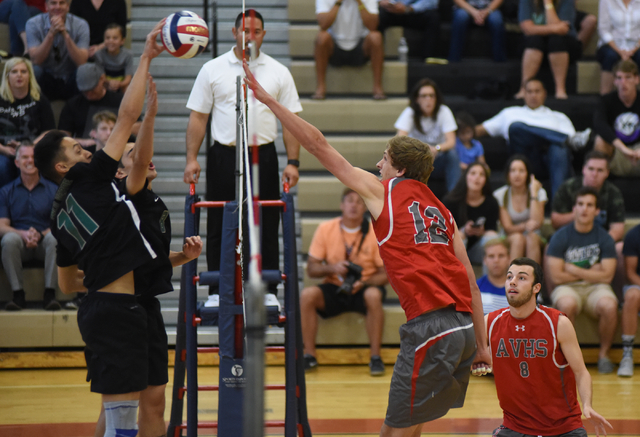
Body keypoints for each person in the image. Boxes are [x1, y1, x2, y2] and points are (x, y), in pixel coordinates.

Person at [244, 61, 492, 437]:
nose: (378, 165)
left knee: (392, 432)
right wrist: (484, 346)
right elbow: (472, 287)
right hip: (464, 330)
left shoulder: (384, 192)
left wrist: (269, 101)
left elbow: (318, 145)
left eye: (385, 160)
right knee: (412, 427)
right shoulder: (443, 211)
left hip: (430, 326)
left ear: (401, 170)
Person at [32, 22, 164, 437]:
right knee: (121, 425)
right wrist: (144, 56)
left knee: (120, 417)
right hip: (116, 311)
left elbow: (68, 281)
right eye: (75, 148)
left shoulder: (57, 213)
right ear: (63, 168)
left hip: (100, 311)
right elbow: (125, 116)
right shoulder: (87, 179)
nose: (85, 147)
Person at [91, 78, 203, 437]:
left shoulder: (154, 203)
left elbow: (149, 260)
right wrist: (149, 115)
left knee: (155, 400)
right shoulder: (130, 192)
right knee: (119, 406)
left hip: (149, 307)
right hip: (123, 309)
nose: (145, 155)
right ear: (122, 171)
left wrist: (184, 258)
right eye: (133, 153)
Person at [183, 9, 302, 300]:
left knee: (267, 219)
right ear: (233, 32)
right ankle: (216, 290)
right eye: (245, 30)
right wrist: (190, 158)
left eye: (256, 31)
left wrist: (293, 162)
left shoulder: (278, 71)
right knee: (219, 220)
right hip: (224, 156)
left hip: (264, 154)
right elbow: (198, 118)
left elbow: (291, 121)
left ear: (263, 34)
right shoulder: (212, 69)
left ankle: (268, 289)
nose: (250, 36)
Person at [487, 257, 613, 437]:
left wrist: (587, 405)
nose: (512, 282)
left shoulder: (558, 323)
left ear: (536, 288)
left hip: (563, 427)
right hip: (515, 426)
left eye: (521, 278)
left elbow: (581, 372)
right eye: (509, 277)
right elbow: (464, 352)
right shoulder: (490, 323)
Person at [302, 187, 388, 375]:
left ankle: (375, 357)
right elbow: (311, 269)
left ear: (365, 208)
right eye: (350, 200)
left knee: (374, 295)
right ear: (341, 205)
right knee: (307, 295)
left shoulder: (374, 231)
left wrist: (364, 283)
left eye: (359, 202)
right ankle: (309, 355)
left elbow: (386, 273)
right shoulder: (326, 228)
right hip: (335, 285)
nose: (354, 205)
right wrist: (332, 268)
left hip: (364, 286)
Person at [545, 186, 619, 374]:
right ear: (574, 209)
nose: (584, 209)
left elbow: (607, 275)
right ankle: (564, 358)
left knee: (610, 305)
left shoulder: (604, 238)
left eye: (589, 205)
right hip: (567, 286)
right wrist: (591, 271)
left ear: (596, 211)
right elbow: (556, 276)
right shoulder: (560, 236)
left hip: (597, 287)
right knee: (566, 304)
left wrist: (573, 268)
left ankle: (603, 356)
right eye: (580, 204)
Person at [475, 79, 590, 196]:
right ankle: (562, 138)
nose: (533, 95)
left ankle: (558, 207)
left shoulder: (559, 117)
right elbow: (479, 130)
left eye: (537, 91)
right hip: (523, 160)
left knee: (559, 149)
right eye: (529, 91)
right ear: (524, 94)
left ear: (544, 93)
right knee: (515, 127)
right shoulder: (510, 113)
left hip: (550, 161)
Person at [0, 143, 58, 310]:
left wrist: (40, 234)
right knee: (9, 239)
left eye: (33, 157)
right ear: (17, 163)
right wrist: (23, 234)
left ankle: (49, 294)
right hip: (20, 245)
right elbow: (1, 225)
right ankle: (18, 295)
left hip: (45, 243)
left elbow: (60, 223)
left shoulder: (54, 190)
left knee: (55, 238)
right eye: (25, 157)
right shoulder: (6, 191)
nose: (30, 161)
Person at [395, 78, 461, 192]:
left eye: (431, 96)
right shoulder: (410, 112)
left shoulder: (443, 111)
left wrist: (436, 149)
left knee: (452, 156)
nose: (428, 99)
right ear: (417, 99)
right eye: (424, 96)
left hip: (437, 159)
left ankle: (454, 196)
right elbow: (399, 139)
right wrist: (421, 151)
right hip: (416, 161)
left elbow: (451, 142)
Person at [0, 57, 55, 188]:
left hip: (33, 148)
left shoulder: (39, 99)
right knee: (2, 167)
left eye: (23, 71)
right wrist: (4, 150)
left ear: (29, 75)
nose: (19, 75)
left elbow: (49, 131)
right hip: (3, 150)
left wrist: (28, 146)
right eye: (14, 71)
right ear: (7, 76)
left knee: (36, 164)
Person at [313, 0, 385, 100]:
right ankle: (320, 87)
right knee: (321, 37)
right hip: (335, 46)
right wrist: (338, 2)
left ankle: (377, 87)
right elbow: (323, 24)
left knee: (376, 37)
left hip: (360, 45)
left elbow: (373, 25)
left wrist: (359, 2)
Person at [58, 62, 139, 148]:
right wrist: (84, 142)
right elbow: (62, 138)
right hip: (83, 151)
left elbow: (139, 127)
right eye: (85, 91)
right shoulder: (72, 105)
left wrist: (114, 131)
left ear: (102, 79)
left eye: (92, 89)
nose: (89, 94)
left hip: (116, 149)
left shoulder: (120, 100)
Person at [516, 0, 582, 99]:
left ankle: (560, 89)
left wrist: (548, 3)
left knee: (556, 41)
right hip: (536, 42)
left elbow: (562, 30)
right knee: (534, 40)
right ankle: (525, 88)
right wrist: (554, 28)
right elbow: (527, 28)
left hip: (564, 44)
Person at [26, 0, 89, 101]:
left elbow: (82, 62)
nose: (58, 7)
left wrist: (65, 34)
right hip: (47, 78)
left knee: (85, 70)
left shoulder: (81, 25)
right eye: (53, 3)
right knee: (35, 70)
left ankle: (80, 110)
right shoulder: (33, 23)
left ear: (68, 6)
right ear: (46, 6)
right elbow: (36, 60)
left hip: (70, 78)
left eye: (62, 3)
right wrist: (51, 34)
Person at [493, 155, 547, 263]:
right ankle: (512, 278)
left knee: (531, 237)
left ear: (528, 174)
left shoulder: (539, 192)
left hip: (535, 237)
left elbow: (537, 222)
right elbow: (508, 228)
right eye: (513, 171)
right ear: (508, 174)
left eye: (521, 171)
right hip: (509, 237)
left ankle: (533, 278)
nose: (517, 175)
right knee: (518, 238)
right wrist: (526, 226)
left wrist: (533, 193)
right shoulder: (500, 194)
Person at [444, 162, 499, 266]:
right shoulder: (451, 201)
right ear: (466, 177)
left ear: (485, 180)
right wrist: (464, 231)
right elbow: (444, 233)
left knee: (492, 237)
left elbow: (492, 230)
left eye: (481, 174)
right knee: (459, 235)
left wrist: (481, 232)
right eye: (473, 173)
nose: (477, 177)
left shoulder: (491, 202)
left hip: (478, 250)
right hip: (456, 247)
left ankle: (491, 281)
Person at [593, 60, 640, 177]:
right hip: (618, 151)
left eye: (628, 77)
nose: (623, 83)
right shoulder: (606, 101)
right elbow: (600, 125)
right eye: (619, 78)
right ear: (614, 81)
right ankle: (599, 186)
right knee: (600, 141)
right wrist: (623, 149)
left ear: (637, 79)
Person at [596, 0, 640, 95]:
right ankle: (605, 97)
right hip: (612, 44)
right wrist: (620, 51)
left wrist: (633, 49)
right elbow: (603, 29)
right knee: (610, 56)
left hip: (636, 44)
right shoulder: (606, 1)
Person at [620, 223, 640, 377]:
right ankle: (627, 354)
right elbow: (630, 273)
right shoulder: (634, 234)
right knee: (632, 296)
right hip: (637, 284)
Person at [93, 23, 133, 93]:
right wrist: (109, 83)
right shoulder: (99, 54)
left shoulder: (128, 55)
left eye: (115, 38)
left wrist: (119, 84)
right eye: (107, 38)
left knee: (128, 89)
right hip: (105, 83)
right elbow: (101, 76)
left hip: (121, 84)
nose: (111, 41)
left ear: (122, 41)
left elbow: (128, 78)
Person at [477, 238, 509, 314]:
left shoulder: (519, 289)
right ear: (485, 260)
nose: (496, 260)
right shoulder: (475, 289)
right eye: (491, 256)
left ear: (509, 258)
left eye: (501, 256)